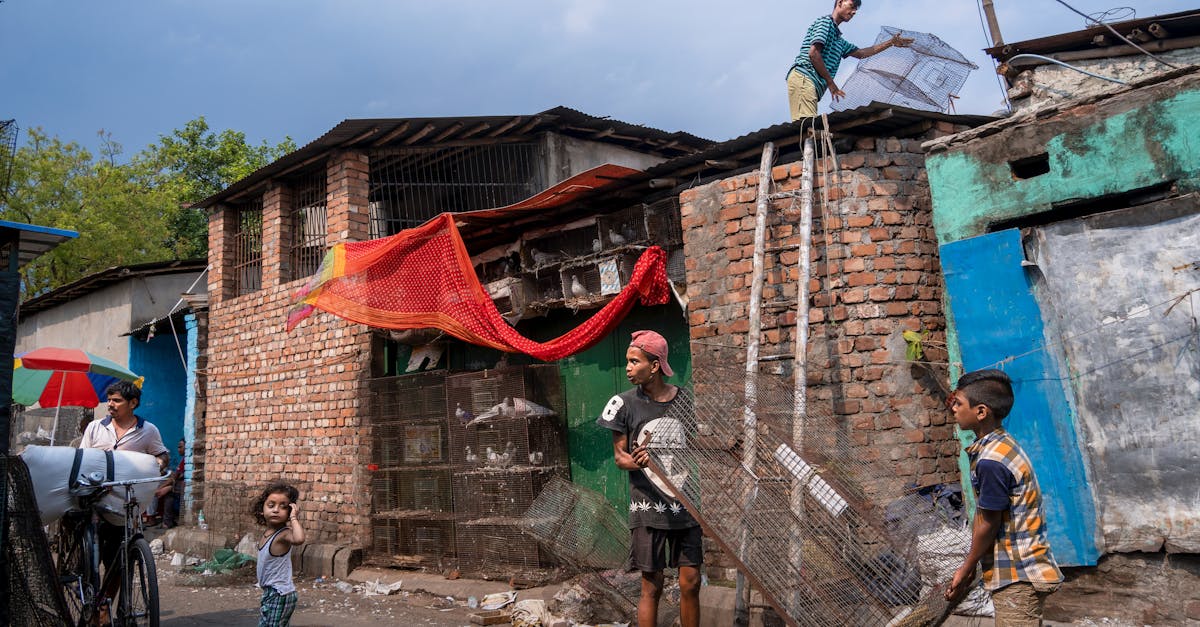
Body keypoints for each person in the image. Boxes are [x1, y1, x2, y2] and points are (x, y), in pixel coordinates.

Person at [596, 330, 701, 627]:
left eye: (634, 361)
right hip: (648, 507)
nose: (627, 368)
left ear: (654, 366)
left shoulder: (682, 399)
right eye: (627, 361)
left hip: (684, 502)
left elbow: (689, 443)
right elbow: (621, 458)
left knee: (691, 581)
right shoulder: (622, 404)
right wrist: (641, 463)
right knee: (651, 585)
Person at [944, 369, 1063, 625]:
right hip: (1019, 568)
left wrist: (966, 568)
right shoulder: (1000, 443)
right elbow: (986, 514)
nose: (953, 408)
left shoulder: (990, 461)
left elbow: (989, 522)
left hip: (1018, 573)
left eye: (959, 403)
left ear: (981, 412)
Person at [78, 380, 171, 611]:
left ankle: (105, 606)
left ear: (133, 403)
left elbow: (162, 456)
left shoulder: (148, 430)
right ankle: (90, 600)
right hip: (95, 501)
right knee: (89, 560)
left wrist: (157, 464)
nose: (110, 404)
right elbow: (81, 459)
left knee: (119, 562)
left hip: (124, 504)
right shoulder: (96, 428)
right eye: (109, 399)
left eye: (116, 400)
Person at [786, 0, 914, 120]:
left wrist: (891, 42)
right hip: (804, 77)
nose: (854, 12)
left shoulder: (839, 41)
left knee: (808, 127)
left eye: (856, 9)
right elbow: (813, 54)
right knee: (807, 128)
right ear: (840, 2)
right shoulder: (825, 23)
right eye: (852, 6)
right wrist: (831, 83)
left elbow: (861, 53)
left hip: (811, 83)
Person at [254, 483, 306, 627]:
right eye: (271, 505)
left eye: (283, 507)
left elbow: (299, 539)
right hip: (270, 593)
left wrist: (294, 518)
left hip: (280, 593)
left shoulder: (283, 534)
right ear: (261, 510)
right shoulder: (267, 533)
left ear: (289, 511)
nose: (276, 510)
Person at [152, 439, 187, 528]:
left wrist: (163, 488)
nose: (178, 449)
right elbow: (175, 477)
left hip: (183, 486)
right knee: (166, 493)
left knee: (167, 493)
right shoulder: (184, 460)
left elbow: (174, 478)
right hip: (179, 484)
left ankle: (166, 522)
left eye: (180, 447)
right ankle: (167, 521)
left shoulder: (185, 460)